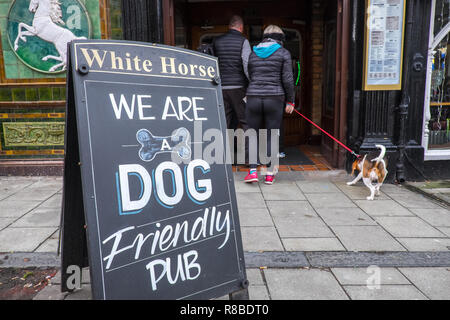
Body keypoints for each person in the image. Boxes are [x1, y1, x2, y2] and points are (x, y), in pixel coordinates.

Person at [244, 25, 295, 185]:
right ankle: (269, 174)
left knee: (253, 134)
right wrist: (290, 101)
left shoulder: (253, 53)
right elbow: (287, 79)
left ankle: (252, 171)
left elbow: (251, 74)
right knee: (272, 136)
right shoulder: (283, 53)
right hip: (275, 98)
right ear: (280, 39)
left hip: (253, 97)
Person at [213, 15, 251, 131]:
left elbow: (212, 64)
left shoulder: (217, 41)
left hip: (221, 88)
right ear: (241, 27)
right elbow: (247, 65)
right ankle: (249, 149)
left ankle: (224, 149)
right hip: (238, 88)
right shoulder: (243, 41)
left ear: (229, 26)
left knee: (225, 122)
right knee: (246, 121)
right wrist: (252, 83)